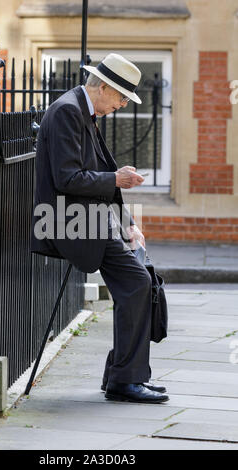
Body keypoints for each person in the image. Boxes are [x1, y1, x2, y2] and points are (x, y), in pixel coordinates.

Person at [31, 53, 169, 403]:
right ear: (104, 86)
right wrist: (116, 179)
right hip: (71, 222)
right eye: (122, 97)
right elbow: (67, 179)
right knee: (137, 283)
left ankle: (125, 377)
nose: (122, 105)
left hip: (91, 220)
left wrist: (127, 224)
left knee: (140, 281)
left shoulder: (82, 110)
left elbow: (95, 173)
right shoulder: (67, 112)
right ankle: (125, 380)